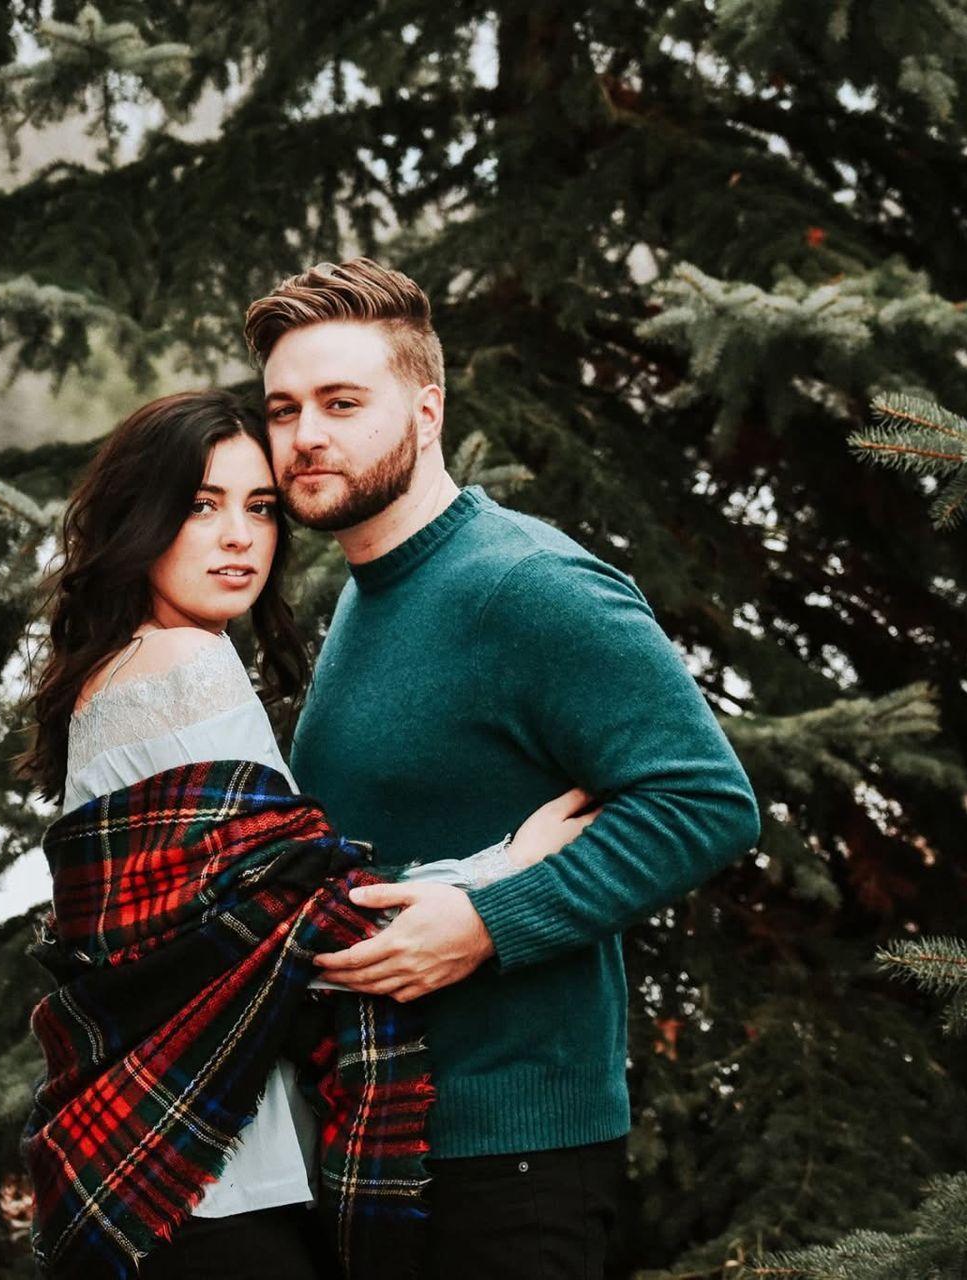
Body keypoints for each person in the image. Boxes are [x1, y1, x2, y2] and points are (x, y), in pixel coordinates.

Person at [244, 258, 763, 1280]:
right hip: (386, 1134)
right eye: (285, 408)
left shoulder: (526, 584)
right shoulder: (369, 588)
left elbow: (706, 798)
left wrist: (490, 920)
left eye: (343, 402)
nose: (307, 435)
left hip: (513, 1156)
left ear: (426, 409)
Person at [12, 389, 601, 1279]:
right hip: (213, 1173)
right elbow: (310, 926)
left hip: (147, 1164)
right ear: (142, 517)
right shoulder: (186, 664)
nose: (240, 536)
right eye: (203, 505)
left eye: (260, 508)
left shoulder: (110, 672)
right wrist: (510, 869)